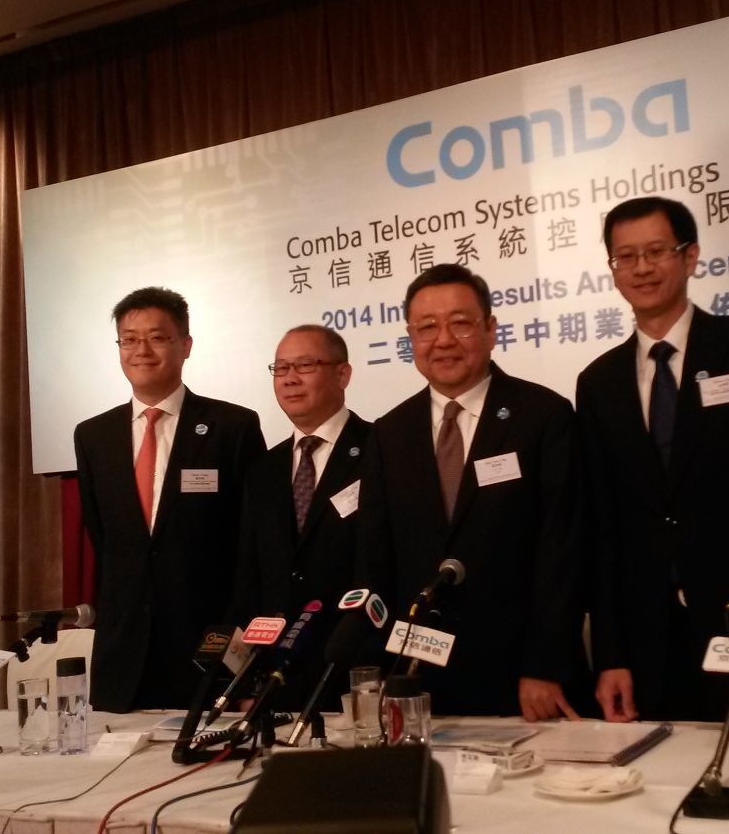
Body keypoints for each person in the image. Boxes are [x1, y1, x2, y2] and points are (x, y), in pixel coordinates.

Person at [576, 196, 729, 730]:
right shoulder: (598, 383)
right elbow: (603, 528)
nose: (642, 268)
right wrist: (611, 655)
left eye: (656, 251)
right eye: (626, 257)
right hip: (648, 644)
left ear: (690, 257)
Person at [359, 263, 584, 721]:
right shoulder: (389, 432)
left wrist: (544, 665)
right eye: (427, 327)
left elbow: (563, 550)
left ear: (490, 329)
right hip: (418, 679)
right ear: (410, 338)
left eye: (460, 323)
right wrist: (383, 673)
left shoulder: (543, 416)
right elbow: (376, 559)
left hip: (523, 677)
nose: (443, 340)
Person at [74, 286, 265, 712]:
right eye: (129, 339)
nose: (141, 350)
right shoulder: (93, 436)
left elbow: (251, 543)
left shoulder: (232, 426)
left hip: (205, 648)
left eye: (157, 337)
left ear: (185, 345)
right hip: (124, 657)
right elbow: (106, 540)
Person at [230, 325, 371, 710]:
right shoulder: (263, 470)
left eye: (305, 365)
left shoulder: (380, 450)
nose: (290, 378)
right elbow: (249, 579)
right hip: (277, 678)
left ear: (342, 374)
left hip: (356, 673)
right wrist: (244, 681)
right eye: (281, 368)